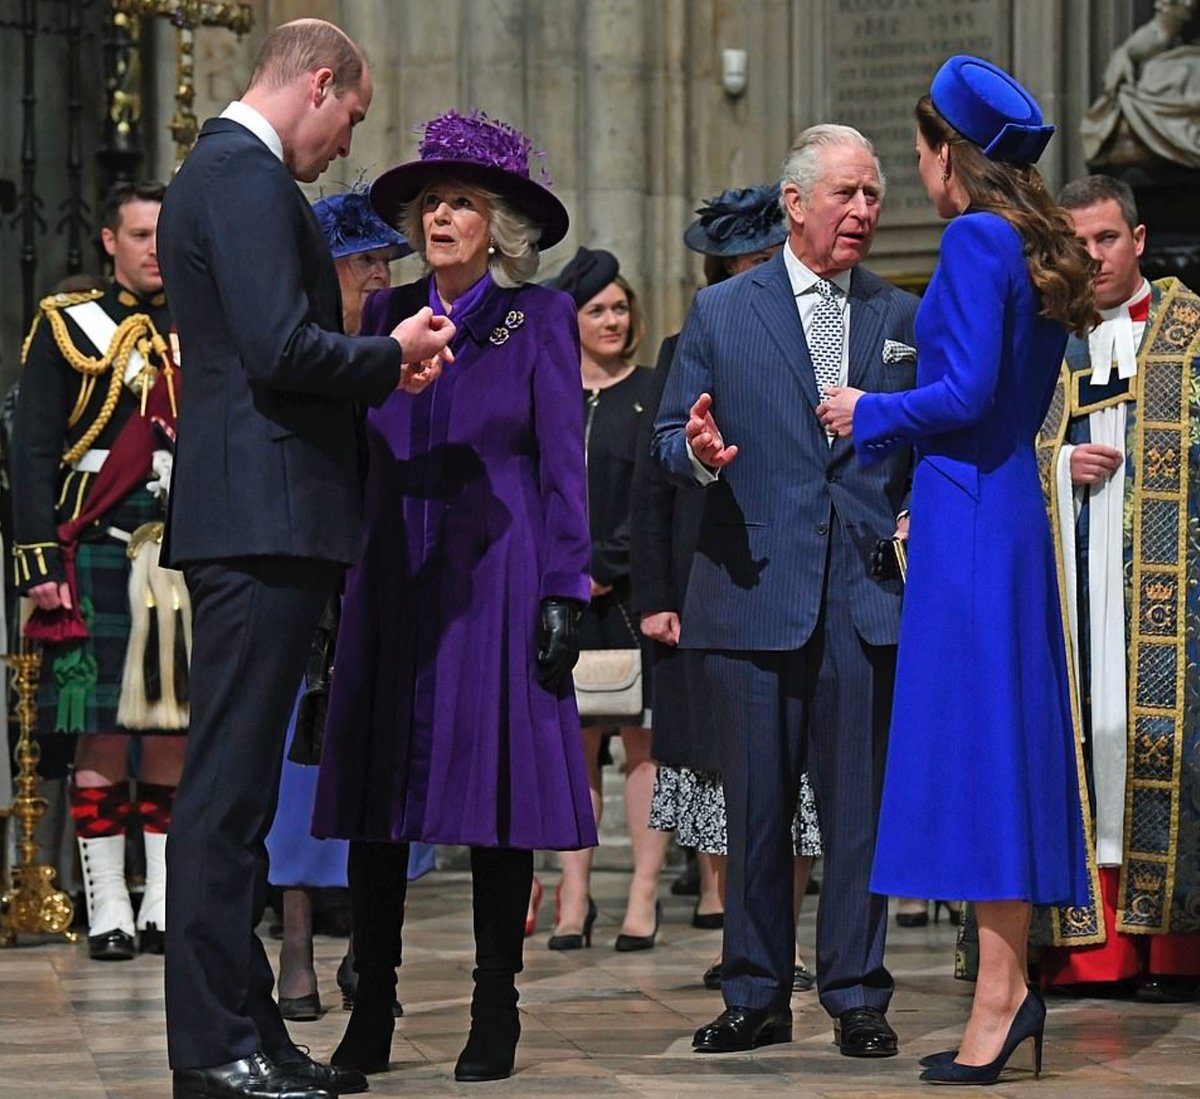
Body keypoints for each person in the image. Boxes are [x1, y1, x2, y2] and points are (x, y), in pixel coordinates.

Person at [156, 18, 454, 1099]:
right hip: (259, 516)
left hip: (263, 514)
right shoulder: (242, 176)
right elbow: (282, 347)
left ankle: (249, 1034)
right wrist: (392, 353)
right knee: (226, 796)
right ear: (318, 85)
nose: (343, 148)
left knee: (236, 797)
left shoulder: (231, 174)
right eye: (351, 120)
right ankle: (211, 1046)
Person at [819, 55, 1095, 1084]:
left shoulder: (977, 237)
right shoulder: (1018, 240)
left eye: (922, 151)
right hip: (993, 510)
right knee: (996, 755)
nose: (919, 171)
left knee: (980, 758)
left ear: (949, 157)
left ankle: (1002, 995)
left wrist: (870, 410)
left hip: (974, 517)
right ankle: (1005, 988)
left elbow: (971, 389)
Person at [310, 108, 596, 1084]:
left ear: (498, 225)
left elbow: (565, 467)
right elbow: (347, 455)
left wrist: (568, 585)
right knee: (378, 802)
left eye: (460, 202)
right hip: (389, 577)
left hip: (499, 581)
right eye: (430, 201)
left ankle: (495, 1005)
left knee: (495, 801)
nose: (439, 215)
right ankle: (372, 1010)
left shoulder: (538, 320)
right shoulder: (380, 318)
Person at [653, 125, 919, 1058]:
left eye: (875, 196)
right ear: (794, 203)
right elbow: (664, 442)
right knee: (757, 812)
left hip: (861, 598)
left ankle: (855, 992)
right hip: (752, 590)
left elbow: (928, 445)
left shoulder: (901, 317)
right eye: (845, 193)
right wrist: (694, 451)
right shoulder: (722, 314)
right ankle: (756, 992)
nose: (863, 211)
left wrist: (918, 514)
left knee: (858, 816)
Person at [635, 183, 822, 992]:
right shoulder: (695, 337)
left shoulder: (828, 327)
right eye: (743, 262)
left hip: (807, 571)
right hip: (718, 569)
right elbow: (659, 473)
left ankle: (789, 935)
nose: (759, 274)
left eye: (766, 256)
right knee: (726, 768)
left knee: (805, 782)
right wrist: (656, 591)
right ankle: (736, 925)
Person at [1035, 174, 1200, 1003]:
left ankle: (1173, 950)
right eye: (1076, 243)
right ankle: (1085, 953)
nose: (1092, 257)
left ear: (1138, 239)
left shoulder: (1195, 332)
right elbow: (992, 452)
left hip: (1176, 606)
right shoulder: (1035, 339)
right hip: (1069, 589)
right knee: (1080, 743)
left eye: (1106, 239)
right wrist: (1061, 465)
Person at [12, 180, 186, 963]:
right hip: (99, 547)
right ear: (110, 241)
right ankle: (110, 904)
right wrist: (39, 559)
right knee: (105, 730)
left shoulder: (203, 325)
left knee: (175, 728)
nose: (154, 248)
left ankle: (164, 900)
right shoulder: (66, 324)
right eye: (140, 234)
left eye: (164, 234)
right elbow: (30, 451)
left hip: (183, 551)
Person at [263, 187, 413, 1023]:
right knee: (296, 781)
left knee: (383, 769)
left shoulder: (404, 349)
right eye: (366, 263)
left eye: (386, 263)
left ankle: (365, 940)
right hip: (314, 592)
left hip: (388, 579)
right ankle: (293, 943)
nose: (381, 276)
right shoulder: (308, 351)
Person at [541, 246, 665, 952]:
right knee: (573, 743)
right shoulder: (551, 391)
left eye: (621, 307)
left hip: (631, 590)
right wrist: (566, 565)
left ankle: (642, 893)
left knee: (642, 743)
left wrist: (608, 563)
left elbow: (656, 490)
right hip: (563, 592)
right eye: (598, 309)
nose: (613, 319)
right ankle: (574, 890)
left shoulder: (649, 390)